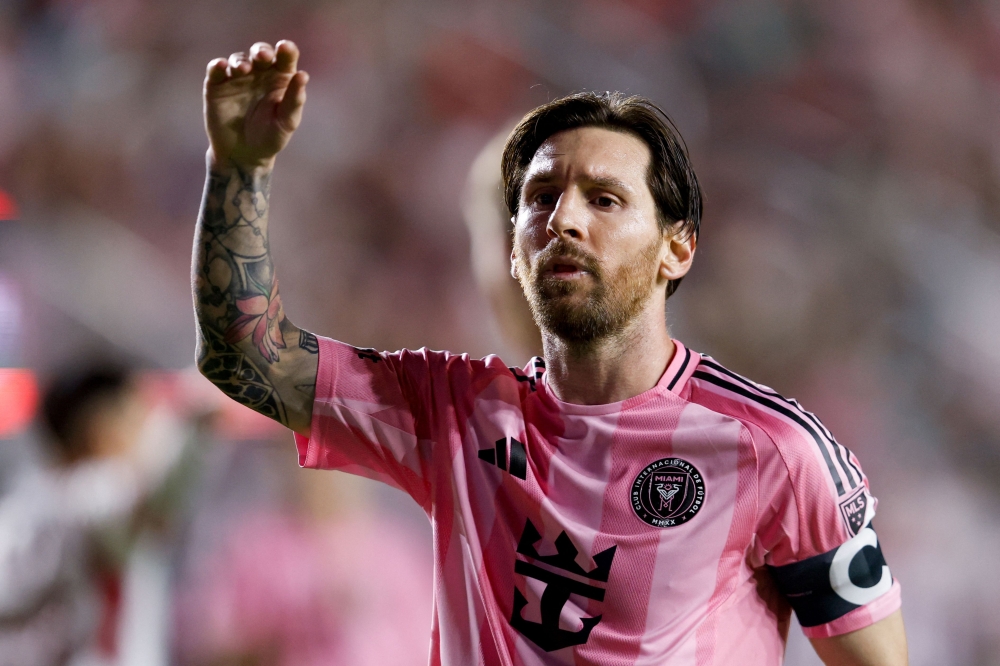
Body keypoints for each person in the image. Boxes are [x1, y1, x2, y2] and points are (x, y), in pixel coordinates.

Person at [191, 40, 907, 665]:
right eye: (540, 198)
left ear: (677, 246)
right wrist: (237, 169)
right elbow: (244, 358)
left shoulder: (775, 451)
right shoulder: (454, 412)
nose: (562, 219)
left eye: (604, 199)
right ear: (511, 251)